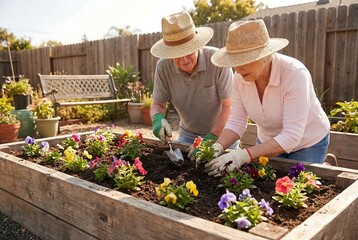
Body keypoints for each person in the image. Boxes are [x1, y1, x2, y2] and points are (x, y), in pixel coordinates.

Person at [205, 19, 331, 176]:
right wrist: (218, 146)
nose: (238, 67)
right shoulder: (239, 78)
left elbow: (291, 136)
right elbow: (237, 122)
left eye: (245, 59)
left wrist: (244, 156)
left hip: (308, 143)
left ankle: (325, 165)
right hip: (267, 141)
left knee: (297, 188)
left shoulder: (295, 74)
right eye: (234, 61)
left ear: (266, 55)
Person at [150, 11, 233, 159]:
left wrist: (211, 138)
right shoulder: (163, 67)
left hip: (222, 136)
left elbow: (229, 106)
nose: (184, 60)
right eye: (177, 54)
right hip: (188, 135)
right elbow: (158, 104)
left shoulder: (217, 62)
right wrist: (157, 120)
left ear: (197, 44)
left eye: (188, 51)